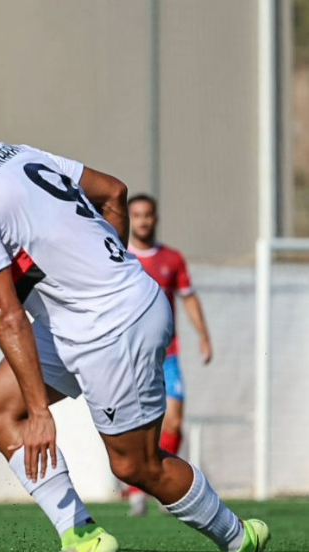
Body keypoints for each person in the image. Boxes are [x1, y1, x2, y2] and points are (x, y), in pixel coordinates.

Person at [0, 92, 270, 552]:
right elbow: (115, 192)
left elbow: (5, 311)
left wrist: (41, 412)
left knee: (135, 466)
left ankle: (239, 537)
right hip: (83, 317)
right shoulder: (10, 153)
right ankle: (81, 534)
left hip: (113, 326)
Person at [125, 194, 214, 516]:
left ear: (156, 218)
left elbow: (188, 298)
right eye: (137, 215)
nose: (143, 221)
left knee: (174, 419)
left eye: (148, 215)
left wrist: (203, 336)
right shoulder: (120, 257)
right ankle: (138, 491)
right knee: (135, 423)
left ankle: (165, 489)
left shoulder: (172, 259)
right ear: (129, 218)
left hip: (168, 355)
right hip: (132, 356)